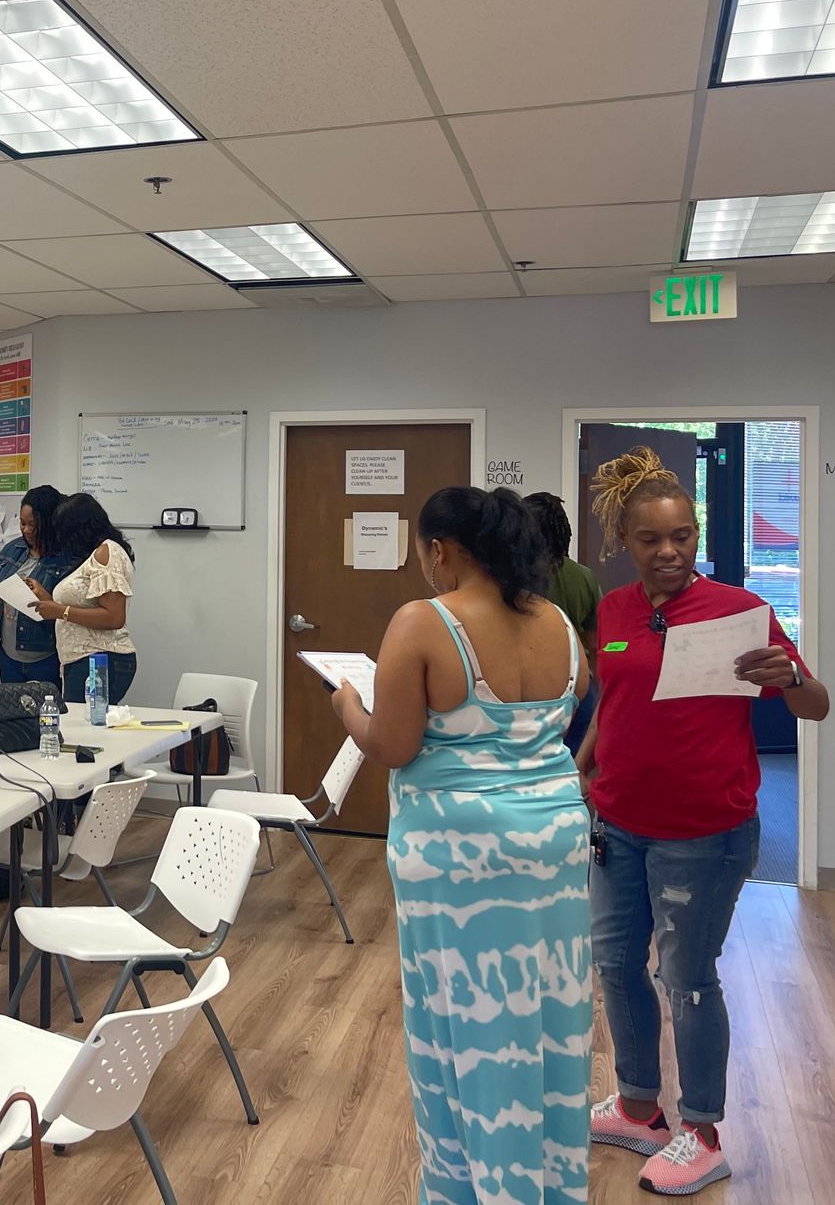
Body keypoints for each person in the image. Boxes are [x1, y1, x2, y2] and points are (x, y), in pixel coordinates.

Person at [578, 449, 828, 1196]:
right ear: (625, 541)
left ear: (696, 534)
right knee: (616, 966)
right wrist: (583, 766)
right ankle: (638, 1108)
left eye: (682, 536)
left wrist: (793, 677)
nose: (670, 551)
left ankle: (704, 1133)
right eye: (651, 539)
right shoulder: (614, 610)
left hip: (704, 832)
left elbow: (816, 707)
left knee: (685, 978)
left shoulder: (738, 611)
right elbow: (614, 702)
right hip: (618, 823)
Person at [332, 485, 590, 1205]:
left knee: (465, 1031)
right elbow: (570, 704)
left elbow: (393, 744)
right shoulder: (556, 621)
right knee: (549, 1017)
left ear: (441, 551)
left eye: (424, 554)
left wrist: (349, 704)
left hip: (461, 859)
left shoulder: (424, 621)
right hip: (555, 845)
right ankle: (549, 1185)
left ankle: (475, 1189)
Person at [26, 493, 136, 705]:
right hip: (84, 659)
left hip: (100, 658)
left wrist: (60, 611)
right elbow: (83, 606)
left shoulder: (107, 552)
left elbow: (114, 617)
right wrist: (48, 600)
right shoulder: (94, 554)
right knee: (81, 721)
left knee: (83, 723)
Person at [526, 491, 603, 754]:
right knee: (572, 764)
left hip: (533, 695)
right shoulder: (584, 577)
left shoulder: (514, 580)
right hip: (579, 690)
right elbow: (595, 644)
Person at [0, 484, 68, 684]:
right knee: (9, 703)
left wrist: (44, 597)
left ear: (48, 523)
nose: (26, 530)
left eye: (32, 524)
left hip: (46, 657)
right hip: (8, 656)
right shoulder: (12, 549)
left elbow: (69, 614)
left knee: (47, 705)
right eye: (22, 523)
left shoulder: (66, 559)